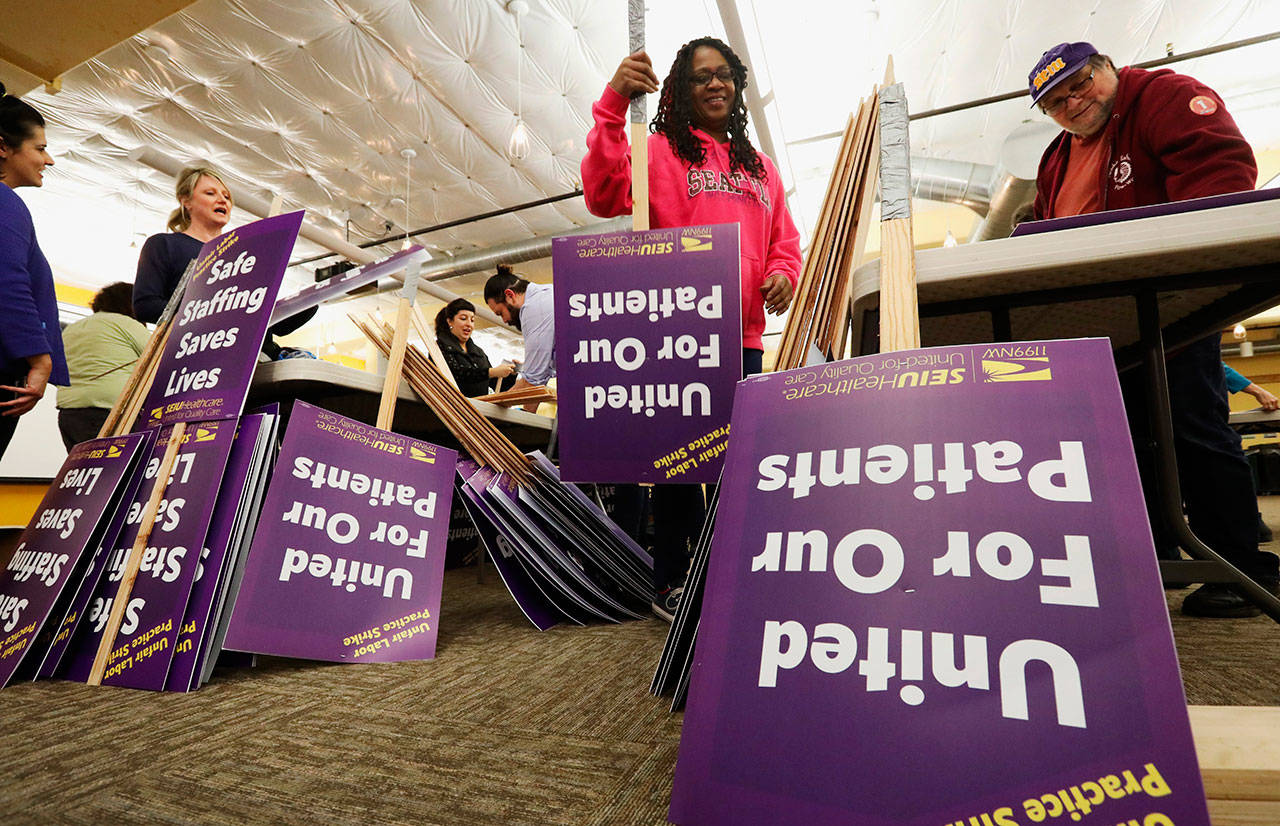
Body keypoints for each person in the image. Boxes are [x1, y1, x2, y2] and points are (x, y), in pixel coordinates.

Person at [1029, 41, 1280, 617]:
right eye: (1055, 101)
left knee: (1193, 427)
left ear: (1108, 68)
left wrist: (1173, 273)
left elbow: (1222, 176)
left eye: (1080, 84)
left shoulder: (1165, 98)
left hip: (1169, 307)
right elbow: (1044, 224)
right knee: (1123, 445)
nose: (1072, 102)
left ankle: (1243, 568)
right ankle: (1154, 558)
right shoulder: (1056, 155)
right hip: (1099, 322)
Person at [580, 38, 803, 620]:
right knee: (680, 468)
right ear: (680, 88)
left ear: (737, 85)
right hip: (678, 328)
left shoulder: (762, 170)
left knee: (739, 466)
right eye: (701, 76)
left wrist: (782, 272)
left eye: (724, 74)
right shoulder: (658, 152)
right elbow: (604, 195)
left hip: (745, 337)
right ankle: (672, 582)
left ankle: (730, 575)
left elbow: (785, 240)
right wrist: (612, 103)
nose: (714, 84)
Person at [132, 165, 314, 357]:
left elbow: (272, 324)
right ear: (186, 201)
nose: (222, 200)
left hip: (258, 357)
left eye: (227, 197)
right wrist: (210, 312)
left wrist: (311, 299)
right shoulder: (164, 245)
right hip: (201, 359)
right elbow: (146, 306)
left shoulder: (244, 255)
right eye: (210, 193)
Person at [0, 85, 65, 459]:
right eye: (40, 148)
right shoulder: (6, 202)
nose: (49, 160)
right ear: (3, 147)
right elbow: (8, 283)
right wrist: (40, 359)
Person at [56, 282, 148, 448]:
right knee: (120, 471)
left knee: (86, 471)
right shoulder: (126, 323)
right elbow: (160, 356)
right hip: (111, 410)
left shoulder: (72, 328)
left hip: (69, 412)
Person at [484, 264, 554, 413]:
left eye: (500, 313)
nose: (503, 320)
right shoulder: (546, 293)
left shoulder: (533, 308)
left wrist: (493, 410)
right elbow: (540, 376)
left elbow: (533, 382)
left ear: (510, 295)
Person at [434, 297, 514, 397]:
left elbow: (494, 384)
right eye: (463, 319)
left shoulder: (478, 353)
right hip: (453, 406)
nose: (469, 324)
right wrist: (491, 372)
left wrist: (510, 373)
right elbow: (457, 374)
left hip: (478, 408)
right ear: (450, 321)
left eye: (472, 320)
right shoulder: (439, 348)